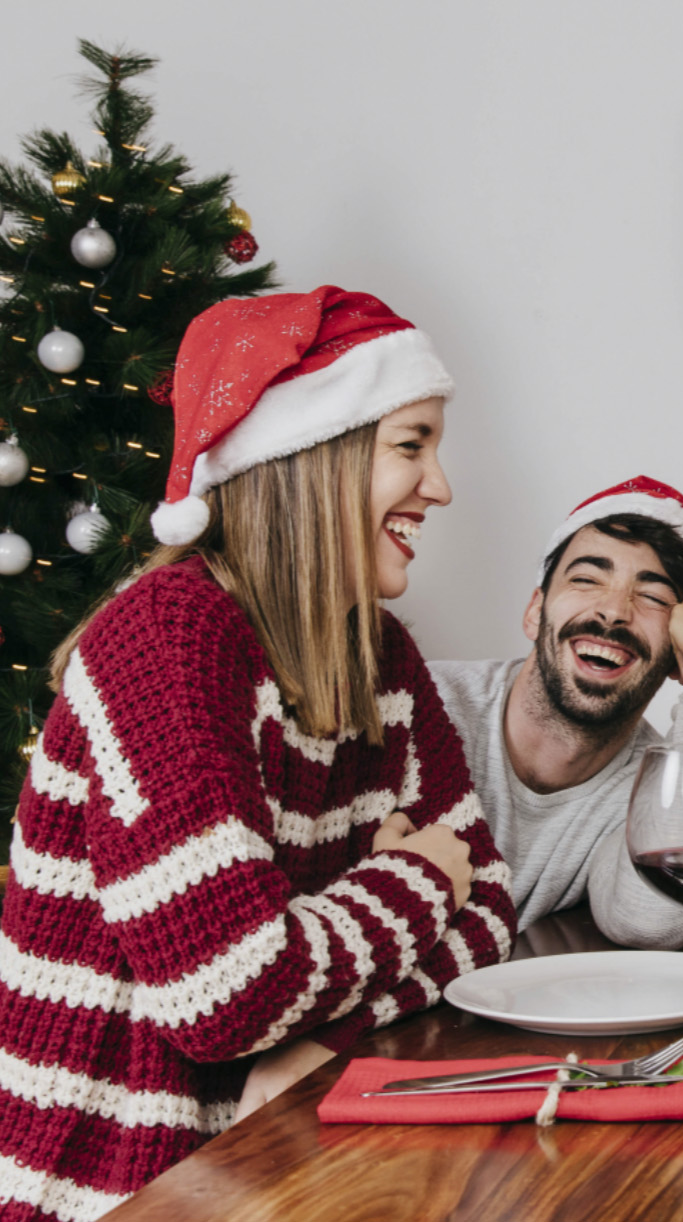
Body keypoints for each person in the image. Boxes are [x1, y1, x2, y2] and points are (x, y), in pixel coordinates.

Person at [0, 287, 515, 1221]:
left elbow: (491, 917)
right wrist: (416, 874)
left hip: (284, 1162)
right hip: (122, 1192)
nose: (439, 486)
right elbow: (229, 993)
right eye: (411, 445)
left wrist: (315, 1038)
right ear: (310, 459)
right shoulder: (168, 641)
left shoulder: (380, 654)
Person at [429, 478, 683, 947]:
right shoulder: (424, 702)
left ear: (678, 658)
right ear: (534, 611)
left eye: (653, 597)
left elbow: (650, 921)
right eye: (586, 579)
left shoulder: (654, 787)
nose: (612, 611)